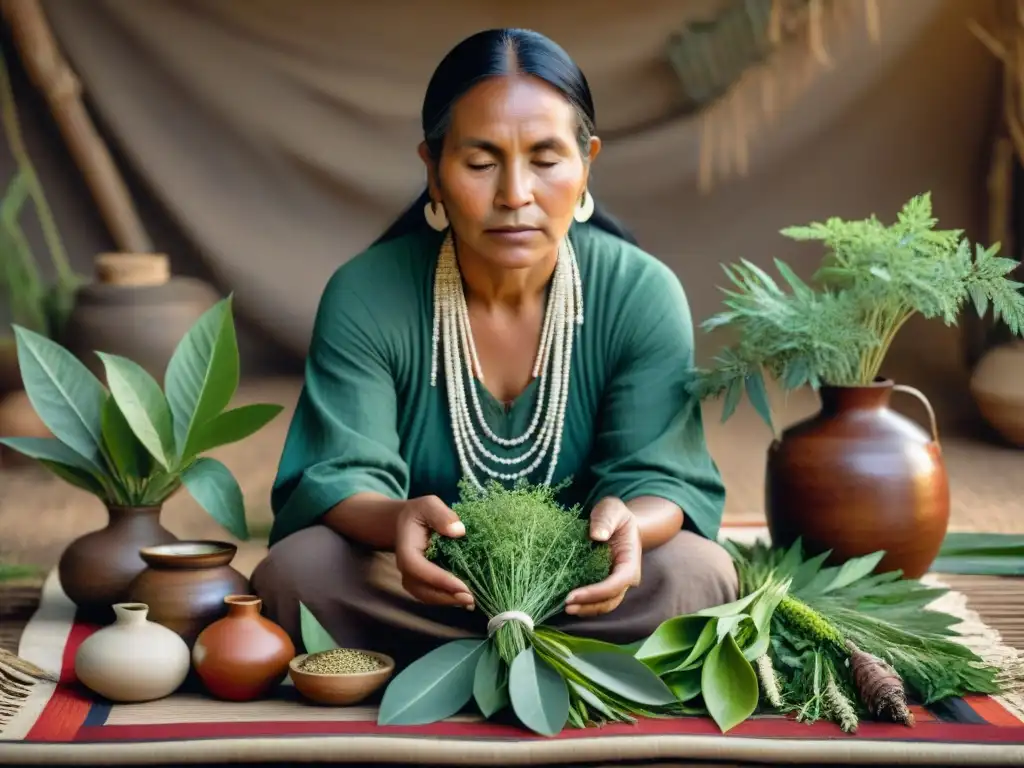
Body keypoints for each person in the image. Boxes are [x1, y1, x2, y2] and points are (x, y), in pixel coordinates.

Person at [251, 28, 737, 664]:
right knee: (300, 572)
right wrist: (397, 522)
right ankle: (558, 663)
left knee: (697, 576)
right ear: (434, 168)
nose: (514, 194)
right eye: (481, 163)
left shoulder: (641, 292)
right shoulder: (367, 293)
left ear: (587, 161)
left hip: (583, 585)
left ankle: (446, 662)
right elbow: (342, 472)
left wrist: (629, 528)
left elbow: (661, 477)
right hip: (424, 582)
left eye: (545, 159)